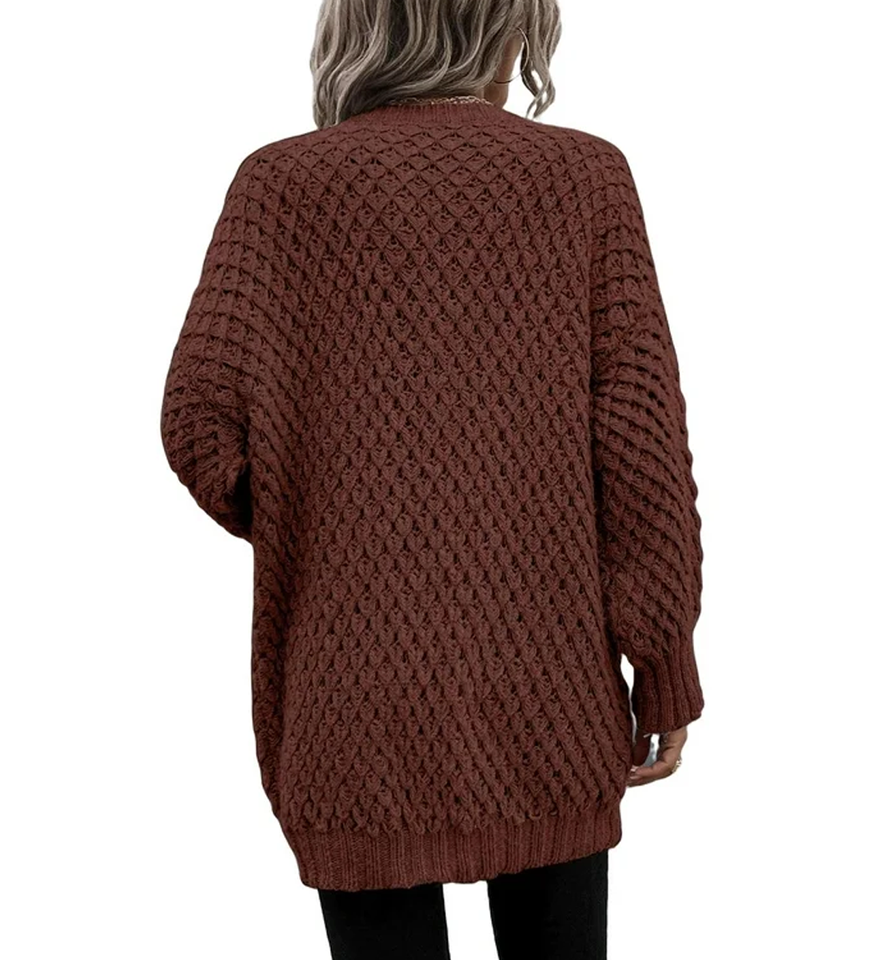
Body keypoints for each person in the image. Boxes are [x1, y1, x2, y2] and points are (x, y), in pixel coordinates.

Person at [159, 1, 705, 956]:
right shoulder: (583, 178)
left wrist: (324, 509)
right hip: (549, 694)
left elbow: (198, 422)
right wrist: (662, 664)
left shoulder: (280, 186)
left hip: (350, 699)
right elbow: (640, 451)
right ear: (510, 25)